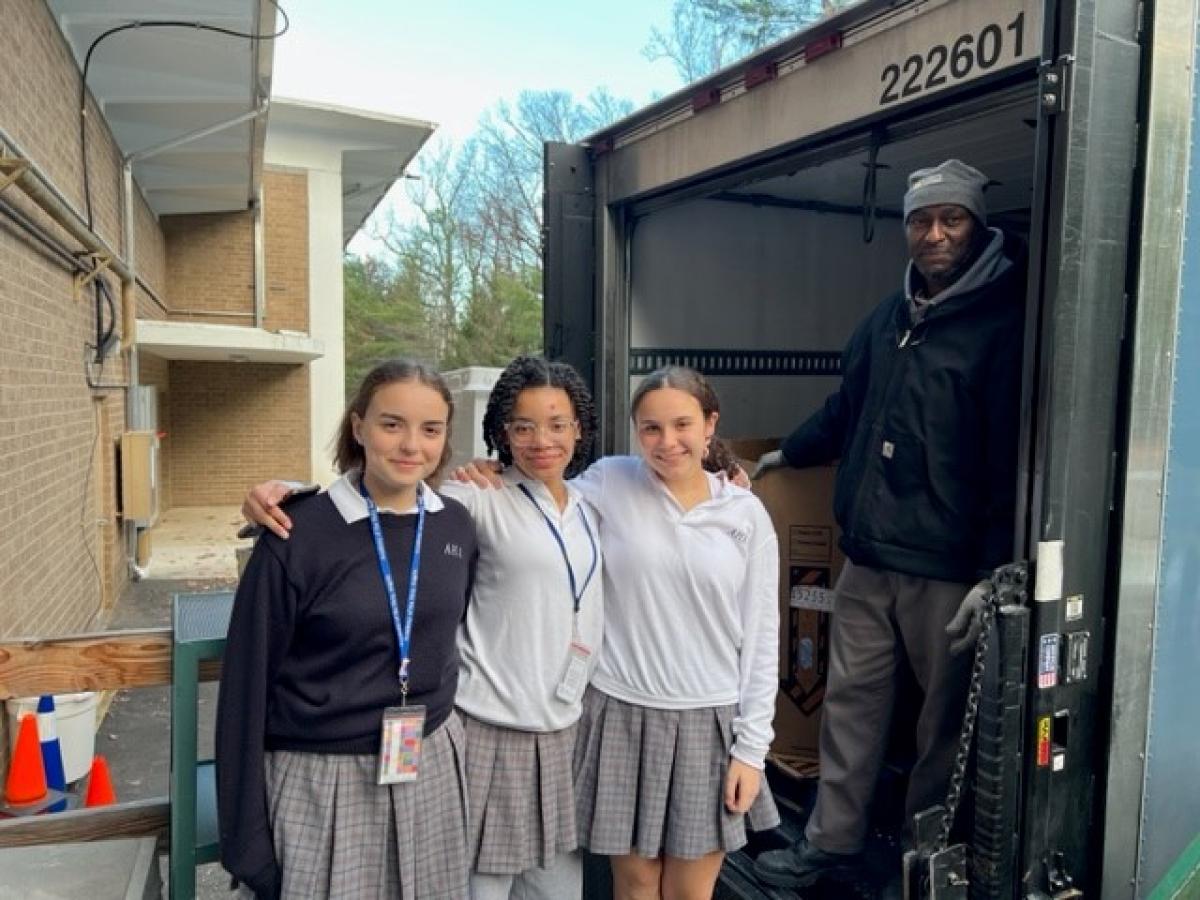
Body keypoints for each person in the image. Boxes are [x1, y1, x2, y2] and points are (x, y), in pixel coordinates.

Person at [751, 159, 1026, 889]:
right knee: (850, 707)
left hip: (948, 569)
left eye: (951, 219)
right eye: (920, 220)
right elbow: (849, 409)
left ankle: (919, 863)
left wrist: (994, 569)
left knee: (940, 730)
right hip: (868, 557)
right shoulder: (887, 319)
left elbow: (1010, 459)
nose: (933, 234)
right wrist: (786, 453)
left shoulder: (1003, 324)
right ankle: (829, 844)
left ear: (976, 225)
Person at [241, 355, 604, 900]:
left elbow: (668, 473)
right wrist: (285, 492)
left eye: (557, 425)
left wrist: (727, 470)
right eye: (523, 426)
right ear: (358, 426)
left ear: (580, 429)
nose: (541, 440)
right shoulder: (473, 500)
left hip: (527, 731)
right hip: (437, 736)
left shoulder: (590, 500)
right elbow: (381, 502)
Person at [482, 365, 781, 900]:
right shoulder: (608, 481)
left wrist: (751, 750)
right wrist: (481, 469)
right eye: (651, 428)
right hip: (620, 712)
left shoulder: (746, 513)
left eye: (682, 425)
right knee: (636, 885)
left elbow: (763, 638)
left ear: (710, 424)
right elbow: (538, 491)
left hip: (708, 721)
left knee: (690, 891)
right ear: (635, 431)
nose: (668, 442)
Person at [216, 359, 478, 899]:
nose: (411, 445)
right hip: (322, 778)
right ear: (358, 427)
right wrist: (245, 841)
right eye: (391, 424)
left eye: (430, 429)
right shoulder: (295, 531)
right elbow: (245, 690)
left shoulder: (455, 523)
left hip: (428, 766)